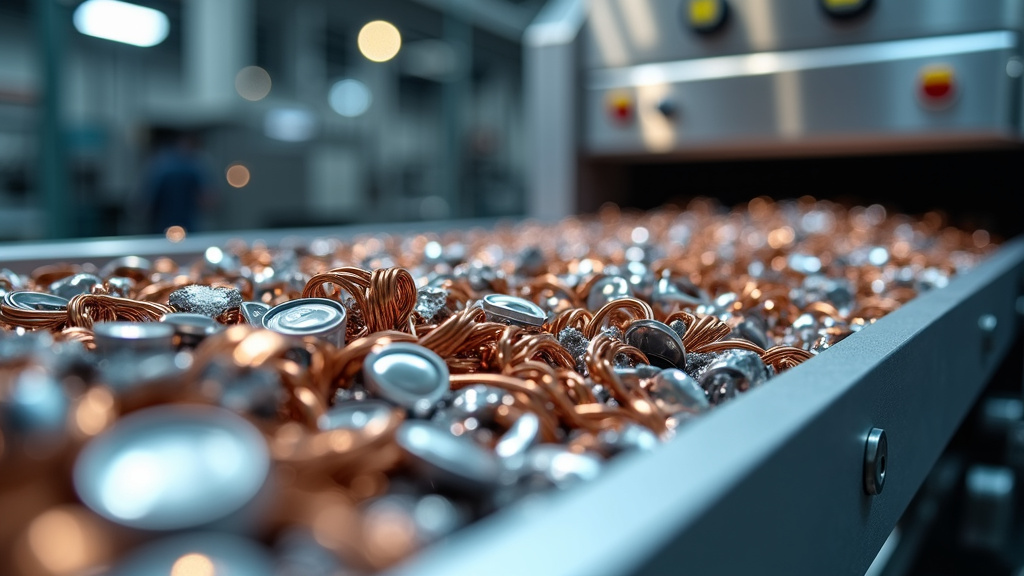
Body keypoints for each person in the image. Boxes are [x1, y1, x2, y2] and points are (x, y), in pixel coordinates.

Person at [139, 130, 215, 234]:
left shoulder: (159, 164)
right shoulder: (194, 167)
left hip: (166, 228)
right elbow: (208, 200)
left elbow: (145, 204)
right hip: (183, 228)